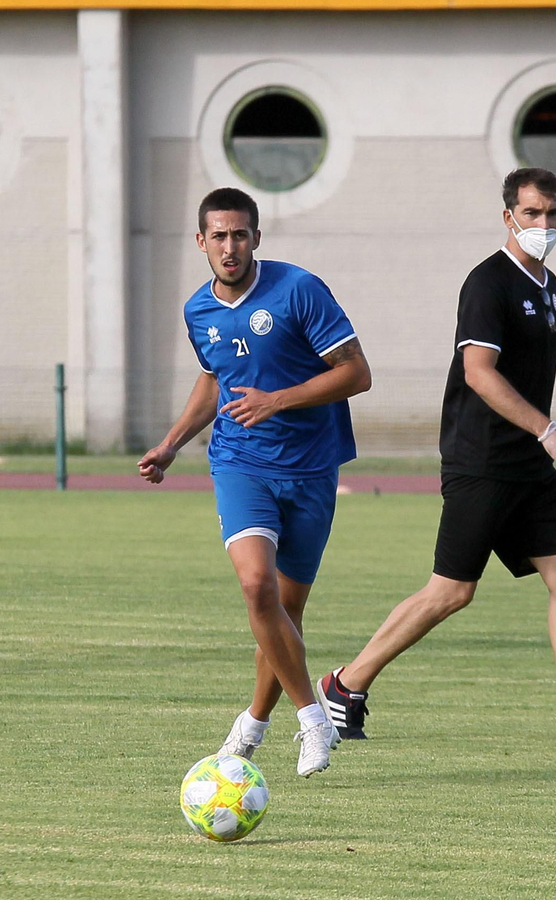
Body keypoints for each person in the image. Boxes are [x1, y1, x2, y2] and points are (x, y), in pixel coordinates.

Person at [319, 168, 556, 742]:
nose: (543, 224)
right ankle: (343, 685)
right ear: (508, 217)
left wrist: (539, 441)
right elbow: (478, 373)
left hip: (526, 464)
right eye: (531, 214)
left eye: (552, 214)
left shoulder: (547, 284)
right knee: (451, 590)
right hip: (483, 459)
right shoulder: (487, 284)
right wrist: (549, 430)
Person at [138, 187, 372, 776]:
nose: (229, 245)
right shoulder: (198, 310)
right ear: (201, 242)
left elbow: (357, 374)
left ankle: (253, 721)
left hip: (312, 468)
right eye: (218, 235)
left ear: (256, 238)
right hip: (240, 463)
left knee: (285, 611)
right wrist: (170, 445)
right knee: (254, 586)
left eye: (240, 234)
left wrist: (279, 401)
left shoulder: (299, 290)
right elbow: (215, 379)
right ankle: (315, 720)